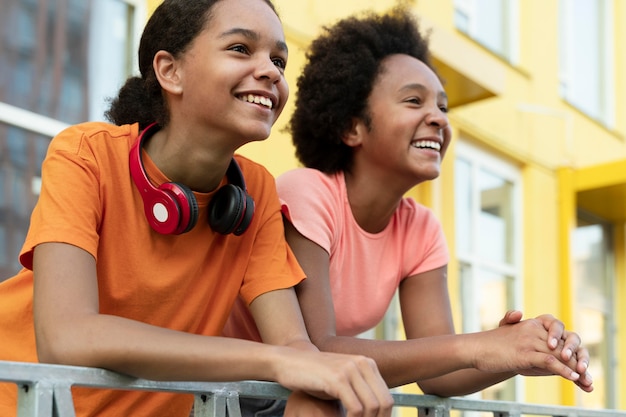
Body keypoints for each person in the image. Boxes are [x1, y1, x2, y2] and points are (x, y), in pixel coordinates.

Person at [0, 1, 395, 416]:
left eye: (278, 59)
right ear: (170, 71)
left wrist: (313, 372)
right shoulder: (85, 154)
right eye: (241, 48)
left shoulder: (256, 189)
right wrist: (278, 362)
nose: (271, 71)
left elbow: (293, 345)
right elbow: (66, 337)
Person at [224, 6, 594, 413]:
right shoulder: (308, 192)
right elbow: (318, 350)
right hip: (228, 396)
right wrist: (480, 345)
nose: (437, 118)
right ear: (352, 128)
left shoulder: (421, 228)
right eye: (414, 101)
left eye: (443, 107)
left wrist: (519, 353)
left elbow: (440, 374)